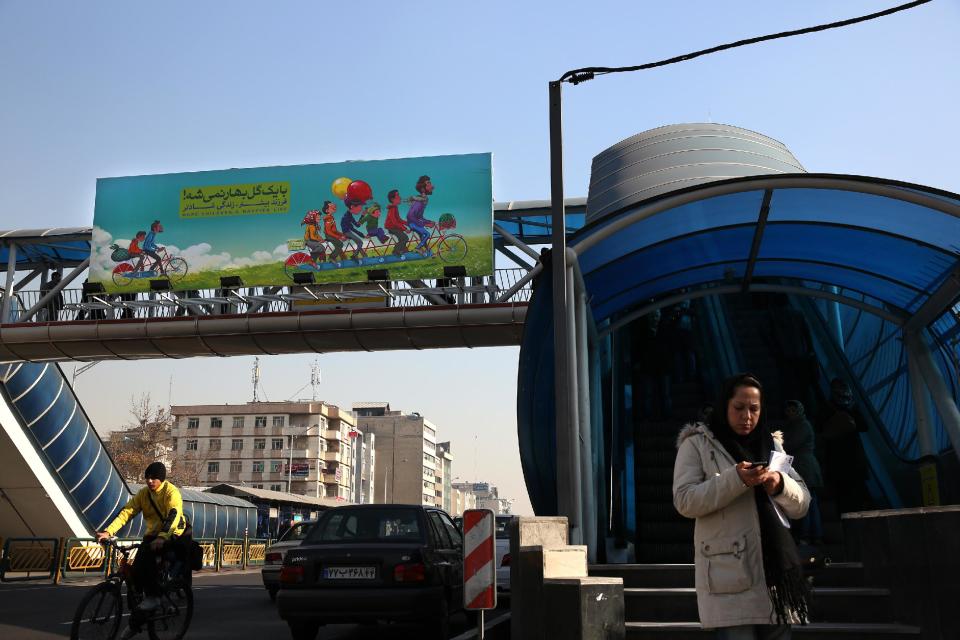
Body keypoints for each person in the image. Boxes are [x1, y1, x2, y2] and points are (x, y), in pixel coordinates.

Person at [673, 373, 811, 637]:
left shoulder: (773, 446)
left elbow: (802, 503)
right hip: (729, 578)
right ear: (724, 406)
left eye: (754, 409)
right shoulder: (697, 444)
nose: (747, 416)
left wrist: (780, 484)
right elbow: (684, 500)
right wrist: (736, 479)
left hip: (778, 582)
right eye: (738, 408)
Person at [96, 462, 188, 636]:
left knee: (148, 561)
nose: (150, 481)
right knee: (136, 570)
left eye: (153, 478)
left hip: (172, 533)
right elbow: (127, 512)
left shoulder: (171, 492)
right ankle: (137, 620)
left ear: (161, 479)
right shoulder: (143, 494)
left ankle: (153, 597)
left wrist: (162, 536)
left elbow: (174, 515)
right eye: (147, 478)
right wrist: (108, 532)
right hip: (152, 535)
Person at [817, 378, 870, 513]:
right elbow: (864, 426)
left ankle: (846, 524)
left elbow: (821, 431)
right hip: (854, 461)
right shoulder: (852, 407)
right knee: (856, 498)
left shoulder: (826, 408)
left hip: (837, 462)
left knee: (842, 500)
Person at [781, 400, 824, 546]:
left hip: (805, 468)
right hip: (803, 467)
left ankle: (808, 536)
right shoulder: (796, 426)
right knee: (809, 503)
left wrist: (777, 442)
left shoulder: (802, 426)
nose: (790, 413)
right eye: (789, 410)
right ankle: (813, 536)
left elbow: (791, 444)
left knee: (808, 503)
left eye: (793, 410)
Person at [406, 175, 436, 254]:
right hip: (412, 223)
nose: (431, 186)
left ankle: (430, 253)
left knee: (423, 237)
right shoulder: (419, 202)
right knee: (427, 234)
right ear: (423, 188)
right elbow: (410, 216)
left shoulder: (423, 200)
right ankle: (417, 248)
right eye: (428, 184)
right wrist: (424, 224)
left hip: (415, 222)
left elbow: (419, 217)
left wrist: (428, 221)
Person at [384, 189, 410, 256]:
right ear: (392, 199)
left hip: (394, 226)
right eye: (397, 195)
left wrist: (408, 223)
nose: (400, 197)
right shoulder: (392, 208)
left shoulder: (395, 207)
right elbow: (394, 221)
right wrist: (405, 228)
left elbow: (399, 219)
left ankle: (404, 250)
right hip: (391, 227)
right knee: (405, 238)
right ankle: (396, 251)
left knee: (402, 238)